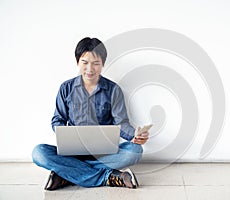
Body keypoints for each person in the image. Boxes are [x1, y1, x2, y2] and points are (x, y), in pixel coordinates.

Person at [32, 37, 149, 190]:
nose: (90, 69)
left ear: (103, 64)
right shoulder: (66, 88)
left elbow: (121, 123)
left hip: (105, 154)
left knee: (134, 151)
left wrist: (135, 135)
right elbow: (58, 120)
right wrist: (65, 133)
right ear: (77, 62)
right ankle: (108, 177)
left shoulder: (114, 90)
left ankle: (67, 173)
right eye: (85, 62)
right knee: (39, 153)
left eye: (96, 63)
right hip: (72, 153)